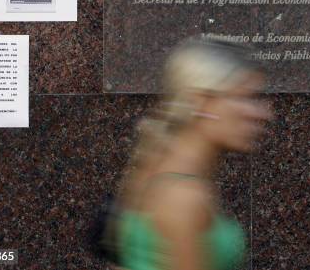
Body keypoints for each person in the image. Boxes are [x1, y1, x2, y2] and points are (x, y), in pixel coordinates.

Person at [108, 38, 271, 270]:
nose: (263, 113)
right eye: (246, 97)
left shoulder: (155, 163)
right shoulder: (182, 196)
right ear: (202, 103)